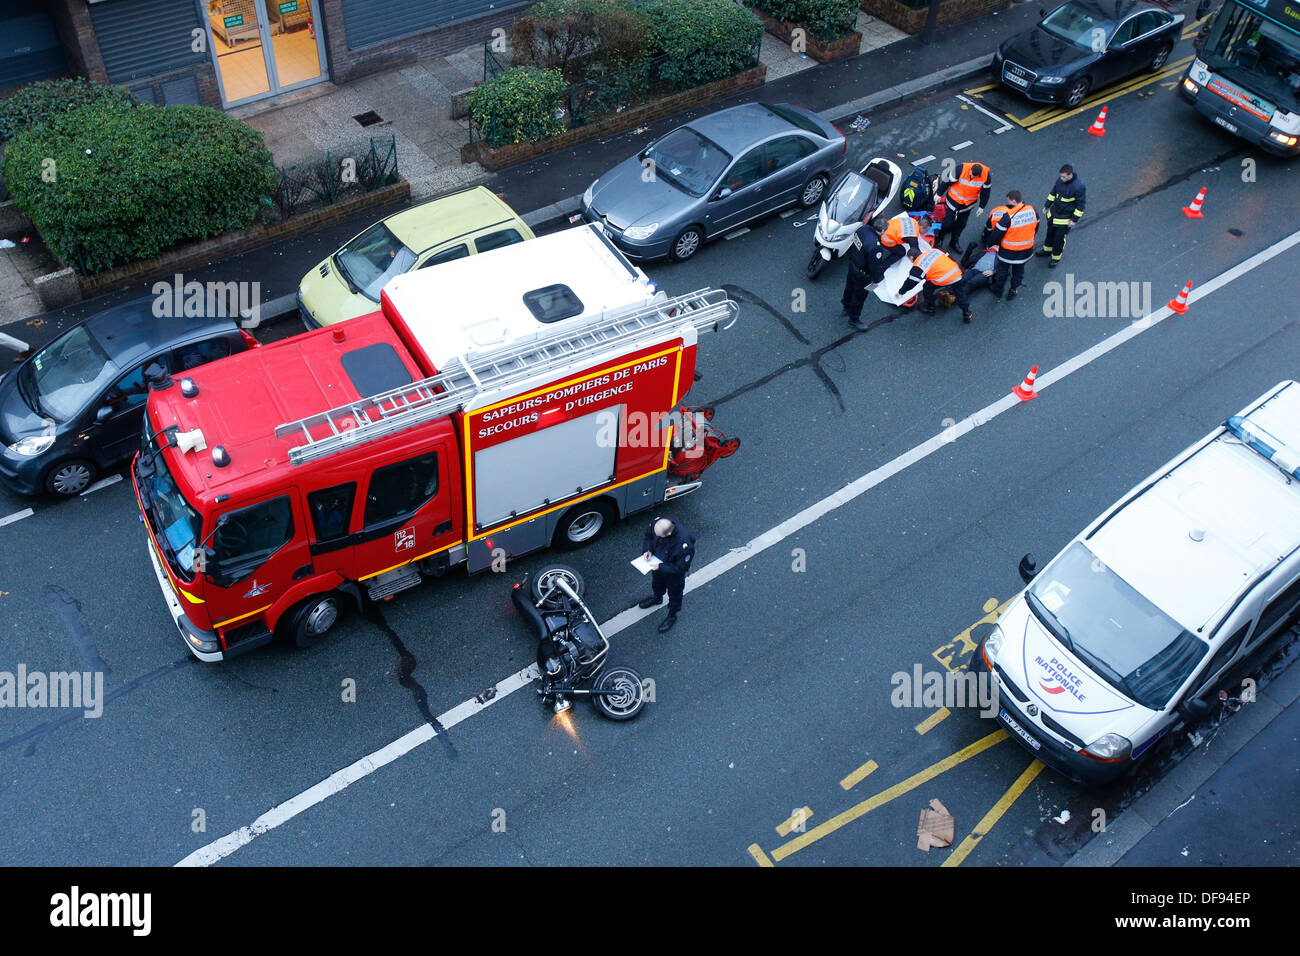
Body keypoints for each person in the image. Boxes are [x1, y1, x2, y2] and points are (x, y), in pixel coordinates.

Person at [637, 516, 695, 633]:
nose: (657, 537)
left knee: (675, 594)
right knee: (657, 584)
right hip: (657, 565)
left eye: (659, 536)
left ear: (669, 533)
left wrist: (661, 567)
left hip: (673, 574)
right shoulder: (658, 524)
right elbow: (648, 536)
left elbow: (680, 568)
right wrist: (647, 550)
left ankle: (672, 615)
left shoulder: (684, 544)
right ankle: (657, 598)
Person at [898, 246, 972, 324]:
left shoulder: (918, 266)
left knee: (927, 287)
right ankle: (966, 313)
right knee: (960, 294)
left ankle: (930, 307)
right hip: (957, 273)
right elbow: (950, 258)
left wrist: (901, 292)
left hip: (943, 279)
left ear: (912, 257)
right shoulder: (935, 251)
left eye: (909, 260)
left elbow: (910, 282)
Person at [988, 190, 1038, 301]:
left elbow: (996, 234)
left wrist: (991, 245)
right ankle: (1013, 290)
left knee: (1002, 272)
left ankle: (998, 290)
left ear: (1014, 201)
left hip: (1007, 253)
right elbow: (1036, 226)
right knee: (1018, 272)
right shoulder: (1032, 210)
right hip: (1025, 251)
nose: (1008, 202)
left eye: (1008, 200)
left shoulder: (1008, 217)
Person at [842, 218, 888, 330]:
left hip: (853, 265)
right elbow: (874, 266)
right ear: (882, 231)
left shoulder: (863, 229)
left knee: (849, 286)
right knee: (859, 297)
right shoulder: (875, 247)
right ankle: (854, 319)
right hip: (863, 275)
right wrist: (875, 280)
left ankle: (846, 306)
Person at [936, 161, 992, 253]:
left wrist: (982, 206)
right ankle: (940, 239)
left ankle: (954, 242)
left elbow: (986, 192)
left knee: (961, 224)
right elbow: (947, 181)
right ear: (970, 170)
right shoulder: (960, 169)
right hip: (953, 201)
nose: (973, 177)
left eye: (975, 177)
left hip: (967, 205)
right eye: (972, 175)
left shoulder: (986, 175)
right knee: (947, 224)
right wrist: (938, 193)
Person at [1041, 164, 1086, 268]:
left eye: (1064, 177)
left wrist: (1074, 220)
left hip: (1064, 218)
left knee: (1059, 239)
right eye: (1061, 176)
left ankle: (1055, 258)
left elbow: (1081, 205)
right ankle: (1047, 250)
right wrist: (1047, 205)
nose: (1061, 179)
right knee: (1050, 234)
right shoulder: (1060, 181)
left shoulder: (1078, 187)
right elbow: (1053, 193)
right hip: (1054, 214)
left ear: (1070, 175)